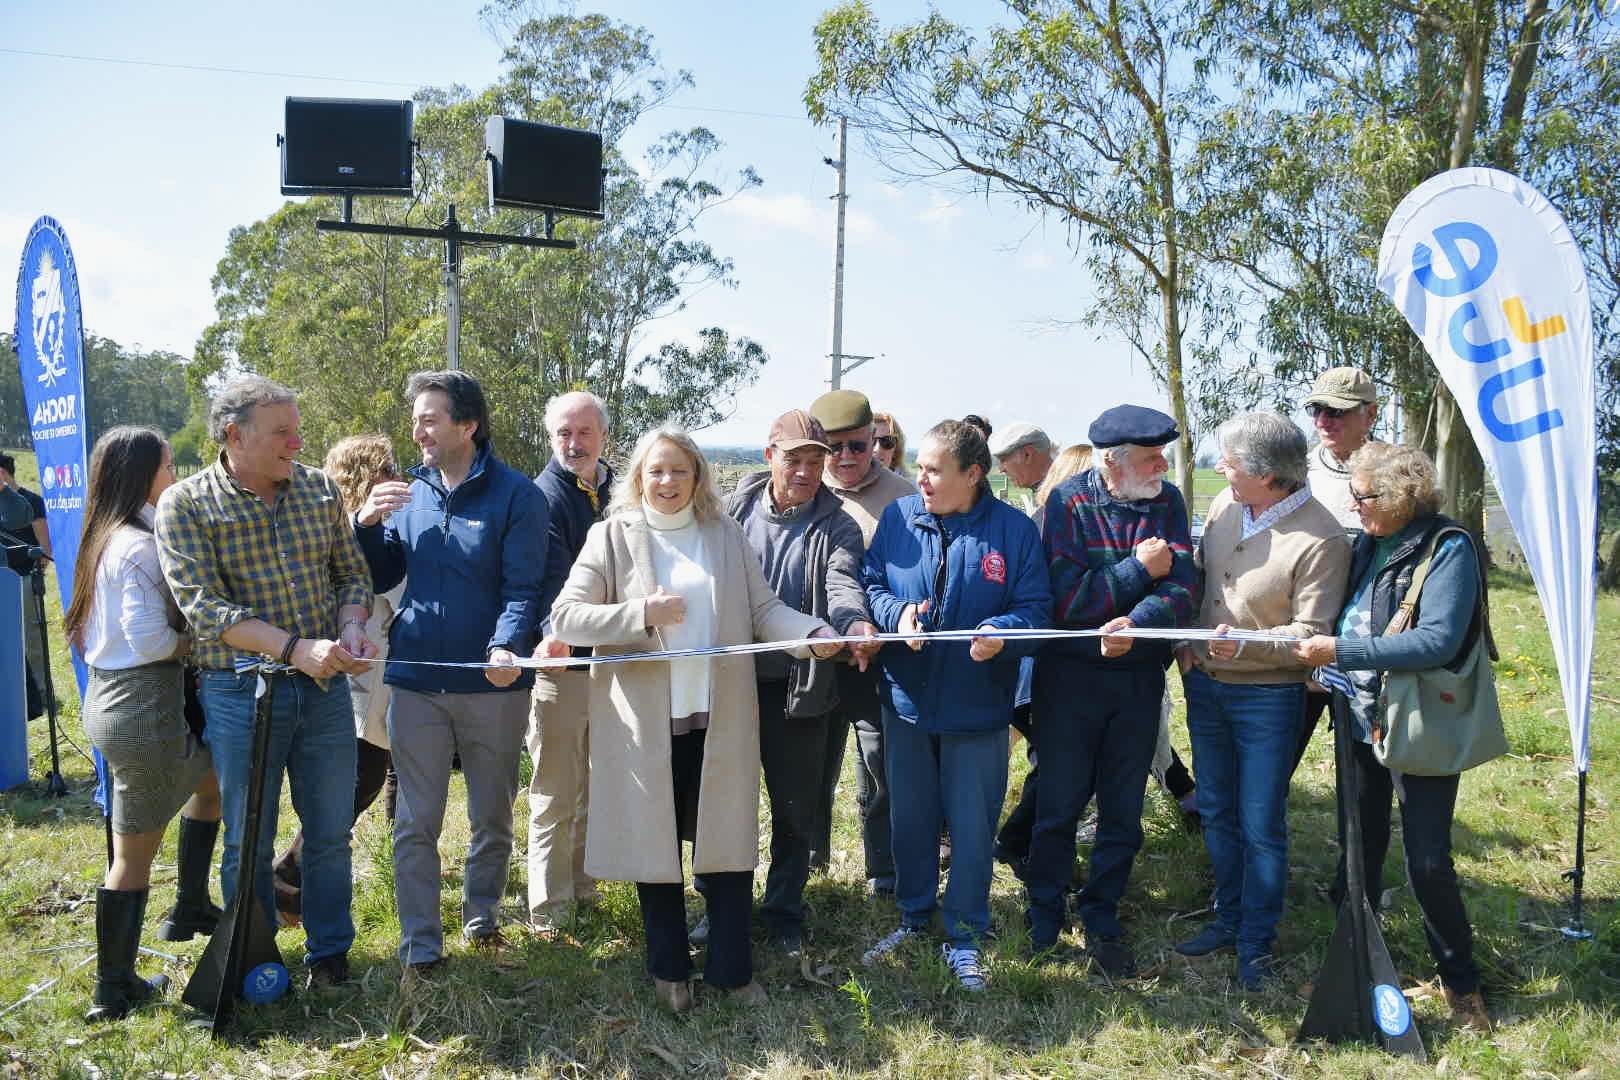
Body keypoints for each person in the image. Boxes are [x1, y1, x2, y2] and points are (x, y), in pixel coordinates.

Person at [550, 426, 841, 1012]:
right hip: (644, 727)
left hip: (720, 717)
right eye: (656, 471)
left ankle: (733, 973)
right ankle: (670, 970)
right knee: (656, 850)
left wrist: (811, 634)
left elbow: (765, 611)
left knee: (726, 848)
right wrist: (639, 614)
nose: (667, 482)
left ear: (697, 478)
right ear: (638, 477)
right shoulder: (610, 537)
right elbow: (567, 619)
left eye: (679, 471)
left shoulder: (725, 535)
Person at [157, 375, 375, 990]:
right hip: (238, 693)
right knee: (248, 836)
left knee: (330, 829)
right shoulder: (187, 504)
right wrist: (293, 648)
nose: (297, 442)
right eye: (282, 432)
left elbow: (350, 574)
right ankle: (254, 957)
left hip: (325, 688)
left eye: (296, 429)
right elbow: (204, 609)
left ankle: (330, 955)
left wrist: (352, 626)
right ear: (234, 435)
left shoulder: (320, 490)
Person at [1292, 443, 1493, 1031]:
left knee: (1428, 860)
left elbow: (1436, 641)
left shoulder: (1449, 548)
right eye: (1353, 495)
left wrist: (1342, 650)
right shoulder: (1367, 544)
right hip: (1358, 714)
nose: (1355, 507)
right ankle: (1357, 963)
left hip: (1417, 721)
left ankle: (1461, 986)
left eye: (1365, 496)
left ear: (1405, 496)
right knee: (1357, 848)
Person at [354, 371, 547, 971]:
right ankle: (420, 944)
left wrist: (505, 647)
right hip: (414, 681)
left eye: (429, 418)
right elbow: (383, 578)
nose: (417, 430)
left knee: (492, 813)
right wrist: (363, 527)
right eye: (415, 418)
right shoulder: (405, 494)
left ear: (467, 425)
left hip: (494, 685)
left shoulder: (518, 497)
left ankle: (481, 915)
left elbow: (524, 588)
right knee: (415, 818)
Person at [858, 420, 1051, 991]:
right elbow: (872, 583)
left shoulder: (1013, 532)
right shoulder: (898, 519)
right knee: (911, 819)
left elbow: (1037, 609)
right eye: (918, 467)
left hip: (979, 707)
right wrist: (898, 617)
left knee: (971, 827)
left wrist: (1002, 630)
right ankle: (915, 917)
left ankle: (965, 933)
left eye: (934, 470)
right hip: (908, 700)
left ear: (973, 474)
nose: (921, 479)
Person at [1173, 413, 1350, 990]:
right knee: (1217, 809)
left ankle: (1256, 940)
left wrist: (1243, 644)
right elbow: (1201, 581)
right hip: (1207, 687)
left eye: (1231, 462)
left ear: (1268, 476)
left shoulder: (1321, 537)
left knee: (1260, 822)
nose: (1220, 468)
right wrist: (1188, 641)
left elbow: (1311, 633)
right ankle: (1227, 918)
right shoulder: (1227, 505)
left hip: (1267, 700)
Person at [1023, 405, 1197, 977]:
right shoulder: (1068, 503)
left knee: (1124, 808)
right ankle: (1044, 910)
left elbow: (1183, 586)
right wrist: (1138, 570)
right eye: (1150, 458)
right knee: (1059, 801)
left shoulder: (1167, 500)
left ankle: (1102, 911)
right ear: (1110, 464)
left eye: (1161, 456)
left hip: (1139, 678)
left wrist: (1136, 622)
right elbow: (1067, 604)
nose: (1162, 466)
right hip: (1070, 680)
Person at [66, 427, 223, 1021]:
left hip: (117, 702)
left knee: (210, 785)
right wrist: (198, 638)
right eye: (168, 465)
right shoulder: (136, 546)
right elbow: (150, 639)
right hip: (143, 707)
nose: (176, 474)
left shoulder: (108, 536)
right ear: (144, 475)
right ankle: (114, 989)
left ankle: (189, 907)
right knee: (131, 857)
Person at [725, 409, 876, 955]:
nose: (807, 470)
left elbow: (841, 584)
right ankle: (723, 906)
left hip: (802, 687)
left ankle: (784, 909)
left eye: (818, 459)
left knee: (797, 808)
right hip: (732, 686)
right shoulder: (733, 510)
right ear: (770, 457)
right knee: (725, 803)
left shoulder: (838, 524)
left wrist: (854, 623)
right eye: (795, 459)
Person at [271, 434, 403, 924]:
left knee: (368, 780)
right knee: (352, 788)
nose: (397, 474)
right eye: (387, 467)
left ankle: (290, 883)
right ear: (364, 476)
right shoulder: (343, 531)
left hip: (382, 674)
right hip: (357, 676)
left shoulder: (385, 527)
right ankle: (285, 882)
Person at [808, 389, 917, 896]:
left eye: (857, 445)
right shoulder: (802, 487)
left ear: (875, 439)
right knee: (811, 764)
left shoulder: (905, 496)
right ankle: (809, 865)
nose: (846, 458)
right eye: (834, 447)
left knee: (880, 764)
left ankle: (884, 870)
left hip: (880, 655)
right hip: (813, 653)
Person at [526, 391, 615, 934]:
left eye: (584, 433)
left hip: (617, 664)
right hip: (560, 663)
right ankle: (549, 912)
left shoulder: (623, 494)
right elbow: (540, 584)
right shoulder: (539, 498)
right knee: (555, 791)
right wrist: (550, 637)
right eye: (563, 433)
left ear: (603, 436)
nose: (574, 443)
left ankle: (584, 887)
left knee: (598, 786)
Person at [1292, 367, 1384, 776]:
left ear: (1371, 415)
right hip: (1304, 633)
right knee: (1280, 755)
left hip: (1368, 640)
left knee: (1366, 769)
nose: (1323, 422)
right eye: (1317, 410)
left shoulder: (1395, 473)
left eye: (1337, 412)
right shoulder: (1297, 474)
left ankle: (1361, 841)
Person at [1, 451, 50, 720]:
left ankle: (40, 692)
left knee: (30, 636)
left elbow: (43, 546)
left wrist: (35, 573)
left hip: (22, 578)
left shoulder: (28, 502)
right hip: (6, 577)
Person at [988, 422, 1055, 514]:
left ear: (1027, 455)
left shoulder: (1060, 499)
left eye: (1003, 460)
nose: (1001, 470)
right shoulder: (1049, 493)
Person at [871, 411, 907, 477]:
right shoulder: (848, 484)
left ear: (896, 450)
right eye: (871, 440)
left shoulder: (908, 486)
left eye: (887, 441)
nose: (877, 449)